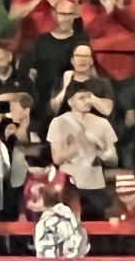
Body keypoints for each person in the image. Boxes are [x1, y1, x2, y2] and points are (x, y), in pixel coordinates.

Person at [47, 86, 118, 220]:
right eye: (82, 98)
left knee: (98, 228)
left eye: (89, 97)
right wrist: (77, 146)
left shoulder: (103, 123)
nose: (88, 101)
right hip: (69, 186)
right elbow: (57, 158)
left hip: (95, 185)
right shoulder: (58, 123)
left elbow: (113, 159)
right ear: (70, 102)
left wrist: (100, 151)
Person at [34, 185, 89, 259]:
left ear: (44, 201)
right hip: (73, 259)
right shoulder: (71, 216)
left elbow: (39, 248)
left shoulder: (42, 223)